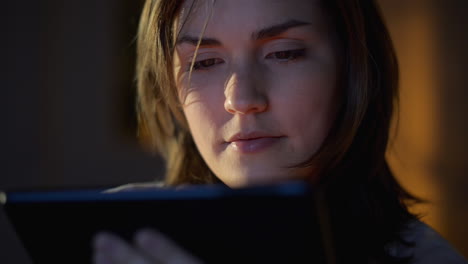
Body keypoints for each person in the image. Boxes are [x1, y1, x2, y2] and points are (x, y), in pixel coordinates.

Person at [92, 0, 468, 263]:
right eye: (204, 62)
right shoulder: (107, 239)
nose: (241, 98)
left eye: (284, 53)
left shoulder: (427, 260)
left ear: (353, 70)